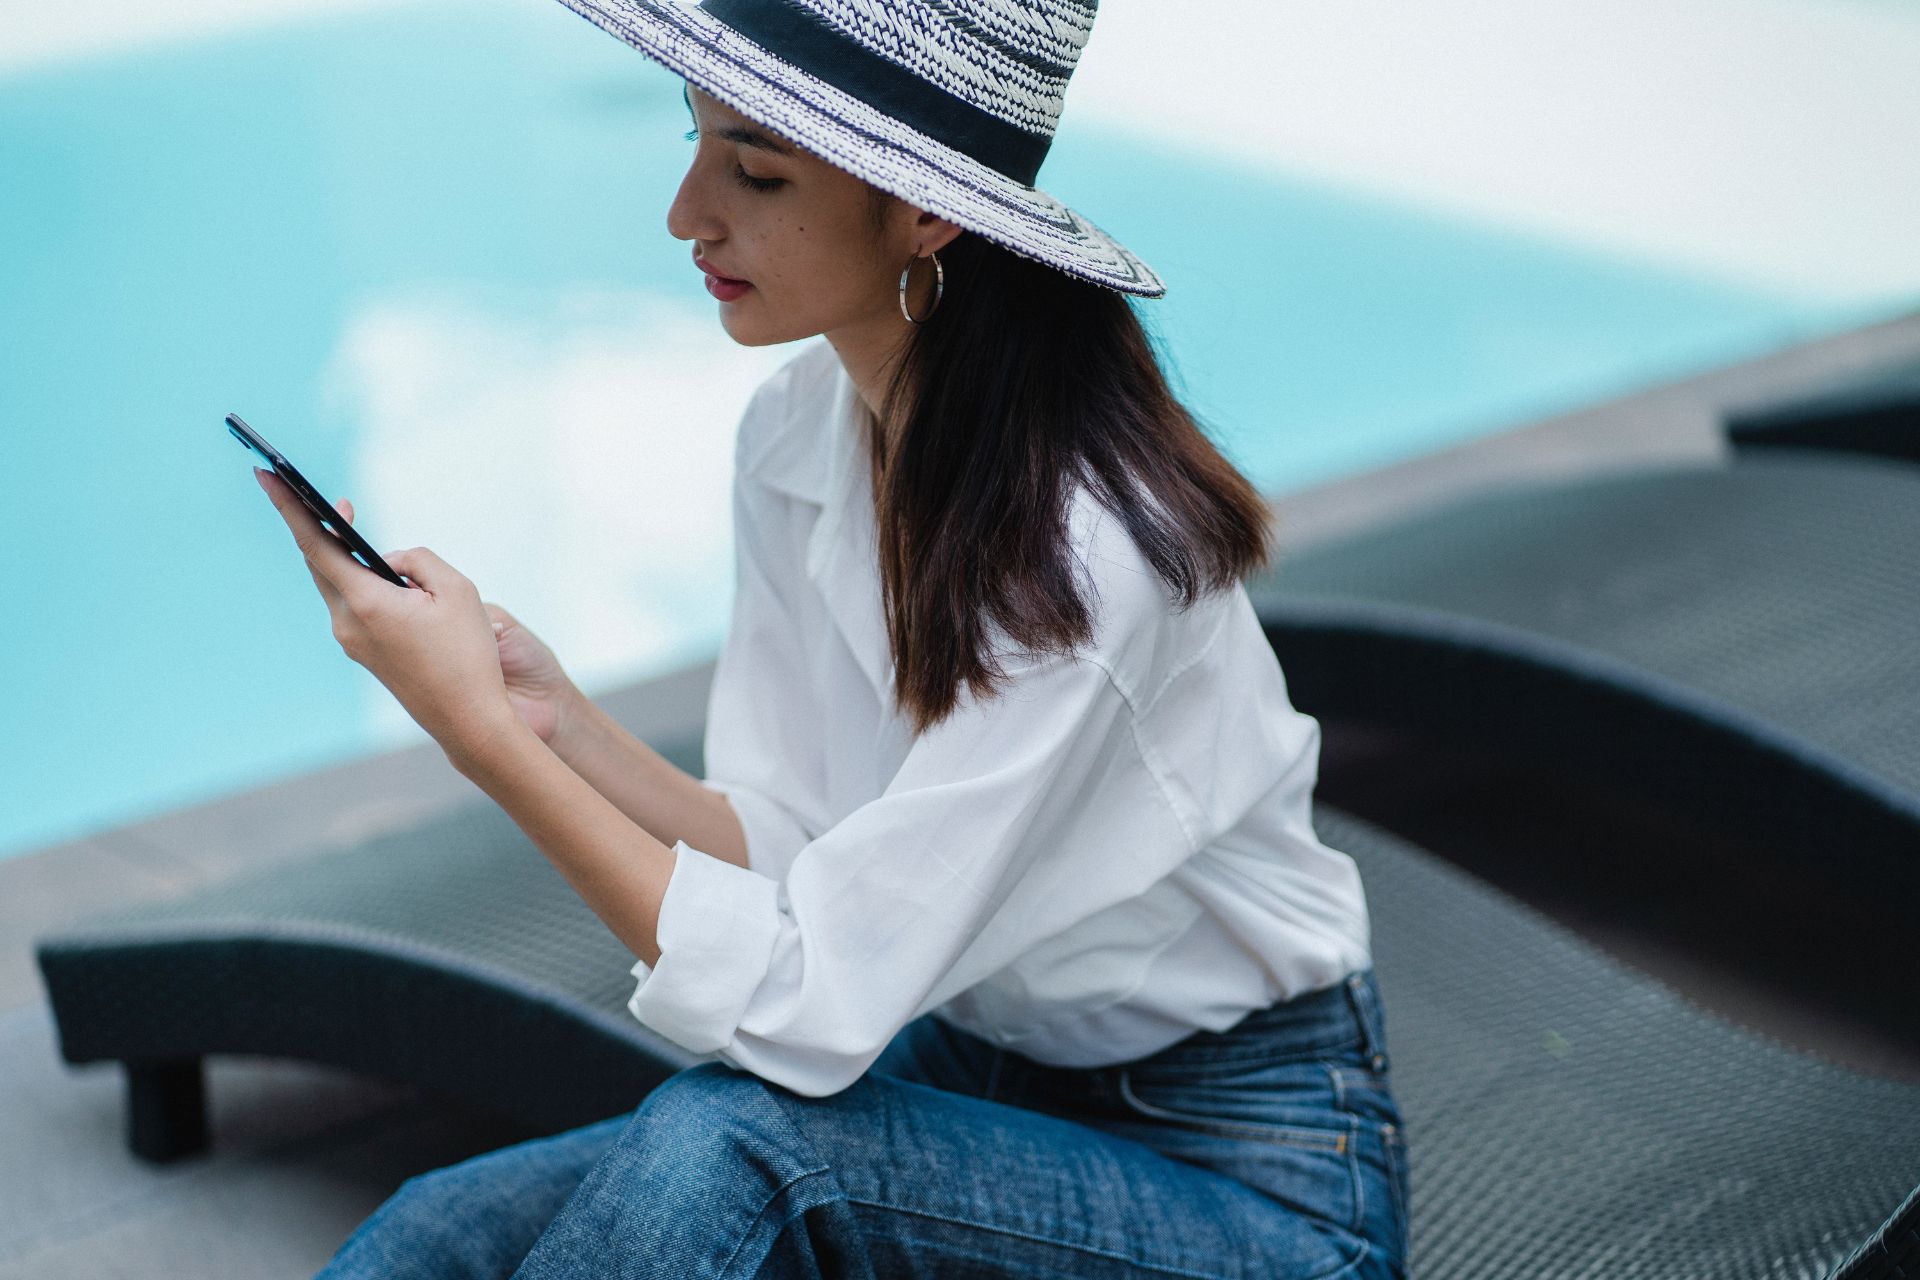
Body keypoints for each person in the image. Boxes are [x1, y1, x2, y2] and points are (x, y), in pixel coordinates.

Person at [280, 0, 1410, 1275]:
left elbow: (803, 1001)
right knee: (447, 1224)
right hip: (987, 1064)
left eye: (756, 170)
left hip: (1253, 1175)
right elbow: (795, 846)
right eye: (699, 142)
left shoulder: (1086, 561)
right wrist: (556, 719)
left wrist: (483, 740)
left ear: (928, 212)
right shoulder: (799, 433)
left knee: (731, 1145)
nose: (686, 212)